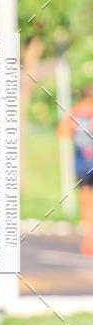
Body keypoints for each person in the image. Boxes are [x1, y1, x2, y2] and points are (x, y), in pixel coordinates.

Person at [57, 83, 93, 255]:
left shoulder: (75, 111)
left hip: (81, 161)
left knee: (86, 202)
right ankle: (89, 238)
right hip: (85, 162)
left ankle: (88, 238)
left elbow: (62, 132)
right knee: (86, 202)